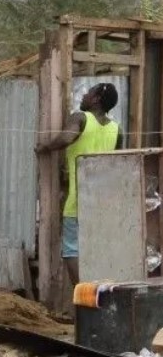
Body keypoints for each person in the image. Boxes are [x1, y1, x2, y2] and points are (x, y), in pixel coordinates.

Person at [35, 83, 122, 285]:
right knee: (96, 249)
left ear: (96, 99)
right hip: (103, 202)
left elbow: (66, 138)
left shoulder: (81, 118)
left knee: (72, 250)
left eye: (88, 93)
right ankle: (101, 293)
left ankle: (84, 295)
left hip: (77, 201)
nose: (84, 95)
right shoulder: (116, 129)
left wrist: (45, 147)